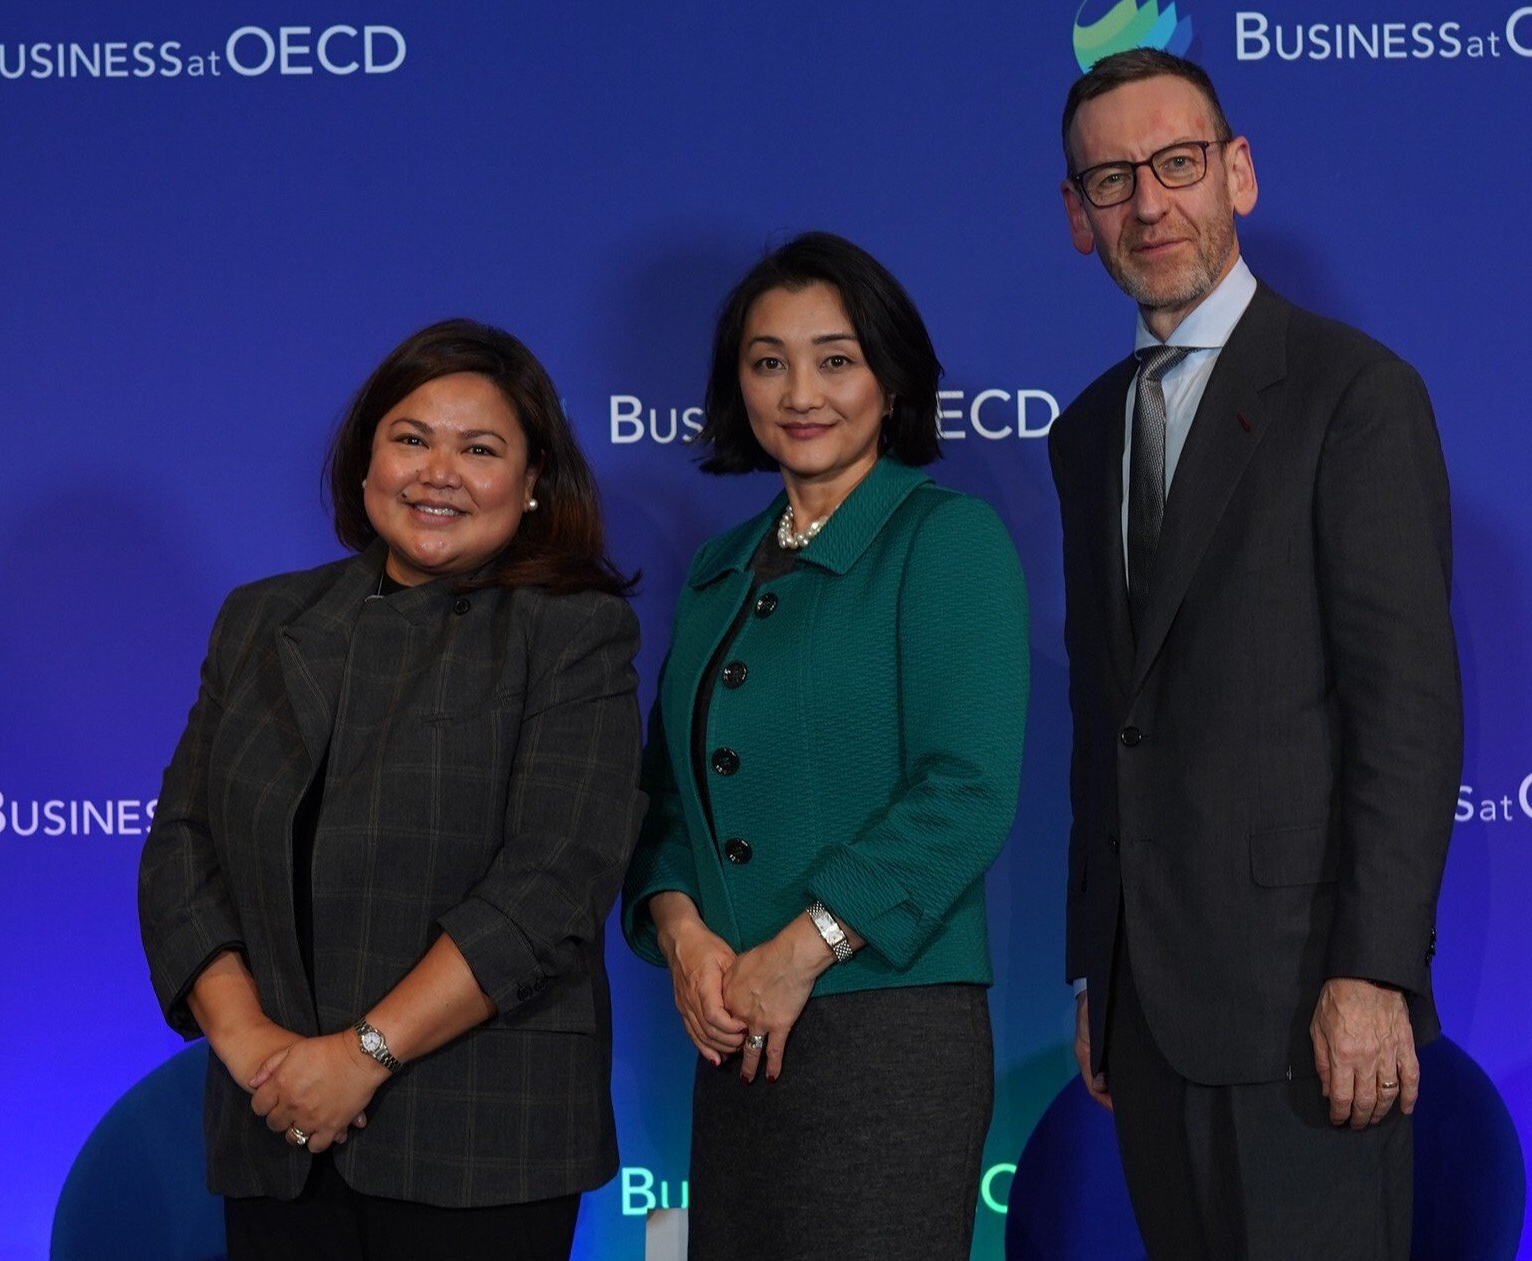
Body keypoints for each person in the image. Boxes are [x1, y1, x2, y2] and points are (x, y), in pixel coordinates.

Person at [1049, 50, 1464, 1259]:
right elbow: (1105, 723)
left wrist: (1372, 971)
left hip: (1305, 1000)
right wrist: (1096, 970)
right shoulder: (1083, 433)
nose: (1149, 204)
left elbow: (1406, 709)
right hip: (1146, 1012)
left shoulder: (1353, 393)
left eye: (1176, 164)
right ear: (1076, 217)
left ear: (1236, 171)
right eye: (1111, 179)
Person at [137, 319, 642, 1261]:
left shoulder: (572, 633)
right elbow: (183, 843)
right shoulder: (262, 619)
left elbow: (553, 880)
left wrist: (361, 1054)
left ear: (534, 484)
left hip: (479, 1147)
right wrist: (254, 1048)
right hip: (277, 1128)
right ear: (364, 461)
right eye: (411, 438)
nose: (437, 471)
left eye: (480, 448)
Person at [621, 231, 1028, 1259]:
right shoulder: (719, 570)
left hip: (885, 1035)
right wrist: (683, 939)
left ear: (889, 381)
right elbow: (666, 804)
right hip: (736, 1035)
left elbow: (965, 792)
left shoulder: (946, 539)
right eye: (768, 362)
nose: (799, 391)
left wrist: (800, 953)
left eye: (834, 358)